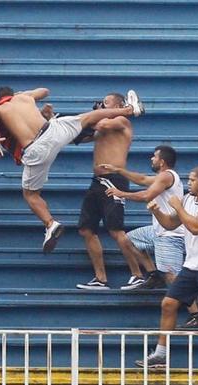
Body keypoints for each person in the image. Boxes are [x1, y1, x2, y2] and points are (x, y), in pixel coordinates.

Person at [0, 86, 142, 253]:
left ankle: (50, 224)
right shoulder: (24, 97)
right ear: (13, 94)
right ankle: (129, 109)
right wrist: (26, 95)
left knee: (31, 194)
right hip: (51, 132)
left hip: (35, 150)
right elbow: (45, 91)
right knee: (86, 117)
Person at [136, 166, 198, 369]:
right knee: (168, 304)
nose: (188, 183)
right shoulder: (187, 199)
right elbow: (170, 224)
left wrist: (178, 208)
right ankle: (161, 355)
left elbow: (197, 227)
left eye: (191, 180)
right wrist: (157, 212)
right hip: (192, 265)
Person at [103, 145, 198, 328]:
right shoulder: (163, 176)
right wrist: (119, 170)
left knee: (172, 277)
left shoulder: (167, 176)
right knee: (129, 239)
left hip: (170, 235)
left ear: (162, 162)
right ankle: (152, 274)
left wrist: (122, 194)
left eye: (154, 156)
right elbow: (143, 179)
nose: (151, 158)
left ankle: (196, 315)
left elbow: (147, 195)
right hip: (158, 230)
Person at [72, 93, 149, 291]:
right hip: (97, 181)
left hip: (114, 180)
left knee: (115, 230)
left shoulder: (121, 121)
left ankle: (138, 274)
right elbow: (80, 136)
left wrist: (96, 114)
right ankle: (100, 278)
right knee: (86, 229)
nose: (101, 104)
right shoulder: (102, 126)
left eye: (106, 102)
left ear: (119, 105)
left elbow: (100, 124)